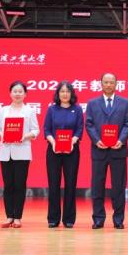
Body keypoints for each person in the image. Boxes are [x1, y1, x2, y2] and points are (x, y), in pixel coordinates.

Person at [85, 72, 128, 229]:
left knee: (118, 186)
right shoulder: (92, 103)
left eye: (111, 82)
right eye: (106, 82)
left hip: (118, 150)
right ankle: (98, 218)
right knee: (97, 186)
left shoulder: (125, 103)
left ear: (116, 84)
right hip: (99, 150)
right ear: (101, 84)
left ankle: (118, 219)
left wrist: (121, 140)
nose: (109, 85)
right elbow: (89, 124)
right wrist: (96, 140)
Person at [0, 81, 39, 229]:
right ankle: (9, 216)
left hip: (22, 152)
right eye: (15, 91)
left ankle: (17, 217)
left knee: (20, 185)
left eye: (20, 91)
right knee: (8, 185)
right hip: (5, 152)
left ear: (25, 94)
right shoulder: (3, 110)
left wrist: (25, 136)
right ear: (10, 93)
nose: (17, 94)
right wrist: (3, 135)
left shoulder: (29, 111)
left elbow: (36, 130)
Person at [44, 81, 84, 228]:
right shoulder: (52, 109)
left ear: (71, 93)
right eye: (62, 91)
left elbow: (79, 129)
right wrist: (53, 142)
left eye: (67, 91)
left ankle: (69, 219)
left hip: (72, 151)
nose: (65, 94)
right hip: (54, 150)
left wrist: (72, 141)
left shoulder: (77, 109)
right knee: (53, 184)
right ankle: (53, 218)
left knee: (70, 184)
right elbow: (46, 129)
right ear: (58, 94)